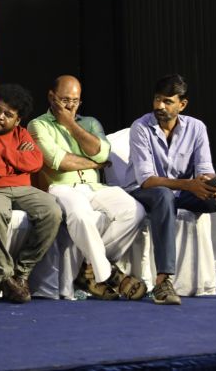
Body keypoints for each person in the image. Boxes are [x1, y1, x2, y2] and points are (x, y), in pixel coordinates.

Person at [125, 74, 216, 304]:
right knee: (163, 195)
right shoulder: (140, 127)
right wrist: (189, 184)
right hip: (145, 193)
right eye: (157, 99)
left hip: (182, 192)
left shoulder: (196, 127)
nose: (160, 106)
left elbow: (205, 169)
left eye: (167, 101)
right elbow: (146, 180)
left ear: (182, 104)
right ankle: (163, 282)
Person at [28, 75, 147, 300]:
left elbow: (103, 153)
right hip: (61, 187)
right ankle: (109, 275)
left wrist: (71, 125)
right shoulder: (38, 125)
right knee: (81, 216)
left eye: (75, 101)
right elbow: (58, 161)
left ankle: (89, 269)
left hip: (94, 186)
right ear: (51, 97)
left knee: (135, 212)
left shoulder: (91, 123)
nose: (70, 106)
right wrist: (94, 163)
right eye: (65, 100)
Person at [0, 84, 62, 303]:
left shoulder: (22, 133)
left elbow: (35, 162)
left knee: (52, 211)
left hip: (23, 189)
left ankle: (22, 273)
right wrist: (17, 161)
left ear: (17, 121)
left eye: (8, 114)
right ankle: (3, 277)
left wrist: (2, 152)